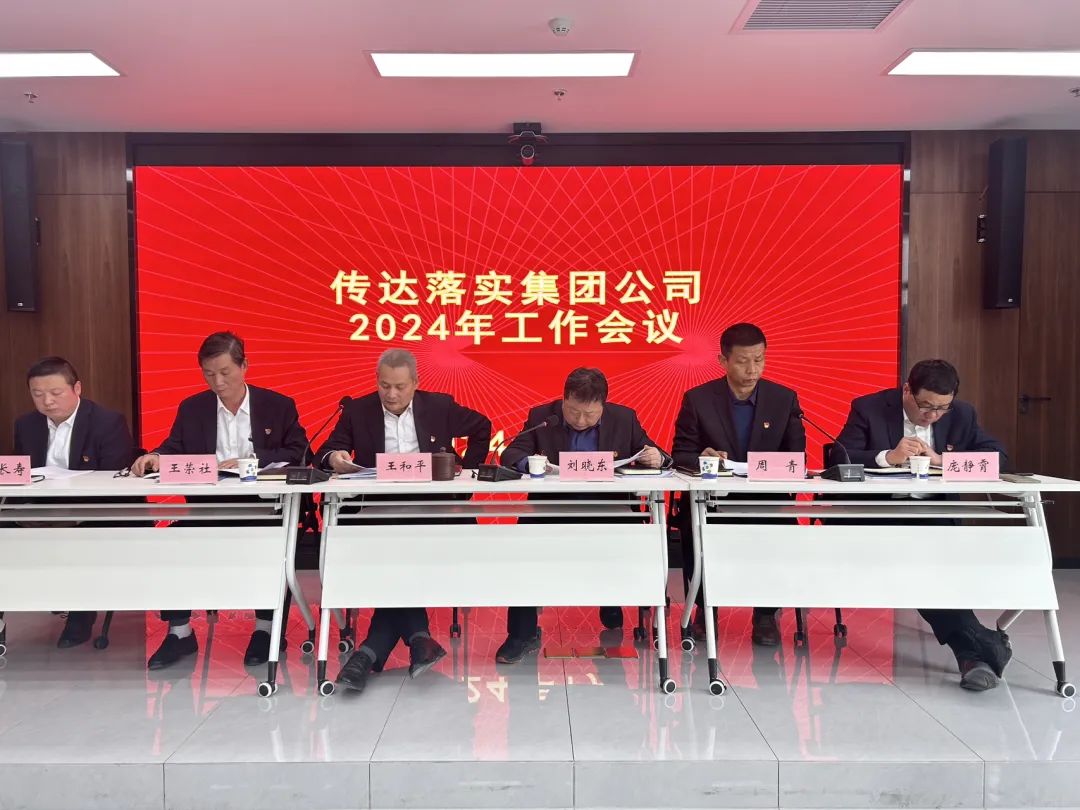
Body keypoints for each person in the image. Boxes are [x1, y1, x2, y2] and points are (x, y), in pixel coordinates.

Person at [315, 348, 491, 694]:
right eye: (384, 386)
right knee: (397, 553)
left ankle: (370, 653)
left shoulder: (438, 406)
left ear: (415, 383)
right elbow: (325, 451)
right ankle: (417, 639)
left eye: (399, 387)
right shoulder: (358, 410)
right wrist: (335, 457)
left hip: (432, 509)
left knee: (398, 556)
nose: (391, 394)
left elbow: (482, 427)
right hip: (376, 511)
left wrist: (466, 476)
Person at [130, 331, 308, 670]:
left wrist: (250, 461)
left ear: (244, 366)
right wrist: (156, 456)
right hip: (207, 509)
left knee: (273, 547)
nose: (218, 382)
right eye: (209, 374)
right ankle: (180, 633)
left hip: (264, 510)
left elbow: (298, 451)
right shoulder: (193, 407)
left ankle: (266, 630)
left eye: (225, 372)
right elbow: (175, 447)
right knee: (170, 543)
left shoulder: (277, 405)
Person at [836, 358, 1012, 691]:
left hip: (933, 513)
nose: (932, 415)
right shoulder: (869, 407)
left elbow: (998, 458)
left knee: (924, 565)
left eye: (941, 408)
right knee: (922, 565)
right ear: (907, 390)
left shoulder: (962, 414)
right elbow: (839, 455)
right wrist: (887, 457)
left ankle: (973, 653)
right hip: (878, 515)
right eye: (926, 406)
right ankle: (978, 648)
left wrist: (942, 461)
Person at [498, 367, 671, 664]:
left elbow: (657, 453)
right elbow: (511, 454)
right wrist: (531, 463)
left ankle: (614, 598)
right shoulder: (543, 416)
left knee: (639, 543)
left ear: (603, 405)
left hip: (610, 512)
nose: (580, 421)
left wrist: (656, 456)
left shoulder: (624, 418)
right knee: (523, 550)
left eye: (589, 415)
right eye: (573, 412)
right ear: (564, 399)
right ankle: (521, 634)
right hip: (551, 510)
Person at [671, 322, 806, 646]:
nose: (752, 370)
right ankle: (705, 609)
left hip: (765, 500)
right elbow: (680, 454)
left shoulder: (783, 399)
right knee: (693, 530)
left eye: (759, 360)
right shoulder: (699, 400)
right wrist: (702, 458)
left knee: (781, 531)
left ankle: (765, 614)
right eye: (743, 361)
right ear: (723, 361)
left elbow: (796, 456)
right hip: (713, 500)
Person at [10, 356, 136, 648]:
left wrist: (70, 513)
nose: (47, 401)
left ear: (77, 388)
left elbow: (115, 482)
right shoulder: (26, 425)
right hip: (40, 512)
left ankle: (81, 613)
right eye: (38, 394)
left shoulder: (107, 422)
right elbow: (20, 474)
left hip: (92, 511)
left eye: (56, 392)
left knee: (81, 535)